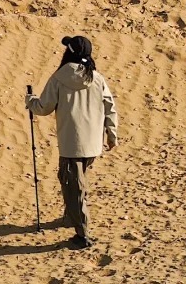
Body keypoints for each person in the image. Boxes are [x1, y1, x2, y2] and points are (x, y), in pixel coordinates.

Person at [26, 35, 118, 249]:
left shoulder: (59, 78)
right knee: (77, 182)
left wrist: (30, 101)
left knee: (73, 187)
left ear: (68, 52)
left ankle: (82, 234)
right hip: (93, 144)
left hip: (71, 144)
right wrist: (112, 135)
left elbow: (44, 108)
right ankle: (71, 218)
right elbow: (109, 107)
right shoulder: (97, 78)